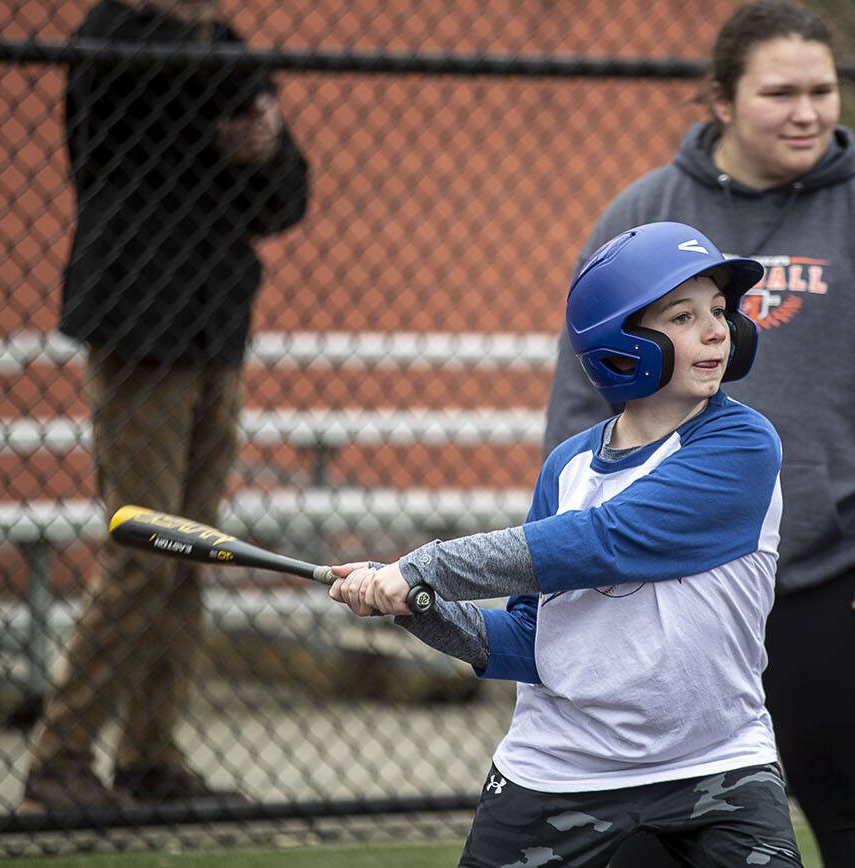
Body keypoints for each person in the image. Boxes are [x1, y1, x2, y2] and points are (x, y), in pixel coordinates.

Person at [542, 3, 855, 866]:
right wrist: (573, 542)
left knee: (851, 802)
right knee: (643, 815)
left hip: (830, 578)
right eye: (780, 92)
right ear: (722, 101)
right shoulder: (646, 211)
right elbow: (580, 394)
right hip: (663, 582)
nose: (808, 111)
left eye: (823, 89)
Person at [329, 222, 801, 867]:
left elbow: (604, 541)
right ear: (620, 342)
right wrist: (417, 606)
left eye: (719, 311)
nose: (717, 330)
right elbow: (530, 642)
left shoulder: (742, 446)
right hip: (563, 766)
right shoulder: (569, 467)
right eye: (683, 317)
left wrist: (425, 566)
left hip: (717, 761)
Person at [23, 0, 308, 810]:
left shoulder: (218, 50)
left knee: (197, 549)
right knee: (143, 546)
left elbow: (286, 194)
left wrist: (263, 147)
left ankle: (149, 756)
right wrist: (237, 105)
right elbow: (171, 108)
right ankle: (60, 760)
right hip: (139, 323)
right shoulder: (116, 38)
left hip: (214, 325)